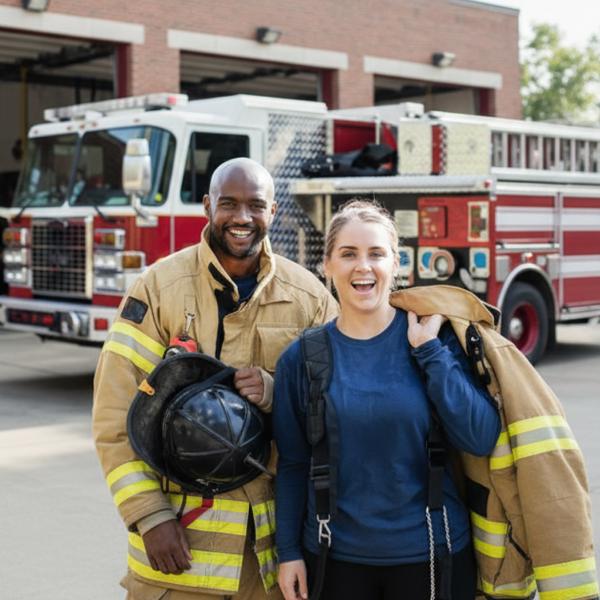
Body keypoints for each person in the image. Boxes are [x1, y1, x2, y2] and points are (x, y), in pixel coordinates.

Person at [92, 157, 338, 600]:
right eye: (228, 204)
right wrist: (150, 515)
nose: (242, 218)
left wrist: (276, 391)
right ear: (208, 206)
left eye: (255, 206)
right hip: (176, 557)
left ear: (273, 212)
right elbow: (114, 413)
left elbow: (338, 403)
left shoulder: (310, 299)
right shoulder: (159, 288)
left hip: (265, 561)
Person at [273, 199, 501, 600]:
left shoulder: (436, 340)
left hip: (432, 557)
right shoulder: (302, 359)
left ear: (396, 264)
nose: (363, 266)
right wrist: (289, 552)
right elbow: (292, 464)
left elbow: (481, 437)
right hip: (333, 558)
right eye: (348, 254)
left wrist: (430, 353)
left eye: (376, 254)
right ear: (327, 265)